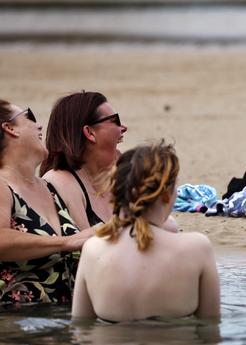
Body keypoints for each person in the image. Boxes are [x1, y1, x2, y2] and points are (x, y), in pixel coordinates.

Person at [72, 141, 220, 322]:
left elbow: (80, 327)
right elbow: (210, 328)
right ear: (166, 193)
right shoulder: (197, 248)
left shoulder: (93, 250)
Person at [0, 99, 93, 304]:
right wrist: (65, 242)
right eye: (29, 116)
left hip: (67, 323)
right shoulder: (2, 185)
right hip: (18, 325)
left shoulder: (51, 188)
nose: (39, 125)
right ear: (9, 128)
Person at [40, 91, 128, 230]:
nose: (123, 128)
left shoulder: (121, 174)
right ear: (90, 132)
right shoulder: (60, 182)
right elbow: (85, 246)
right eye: (115, 120)